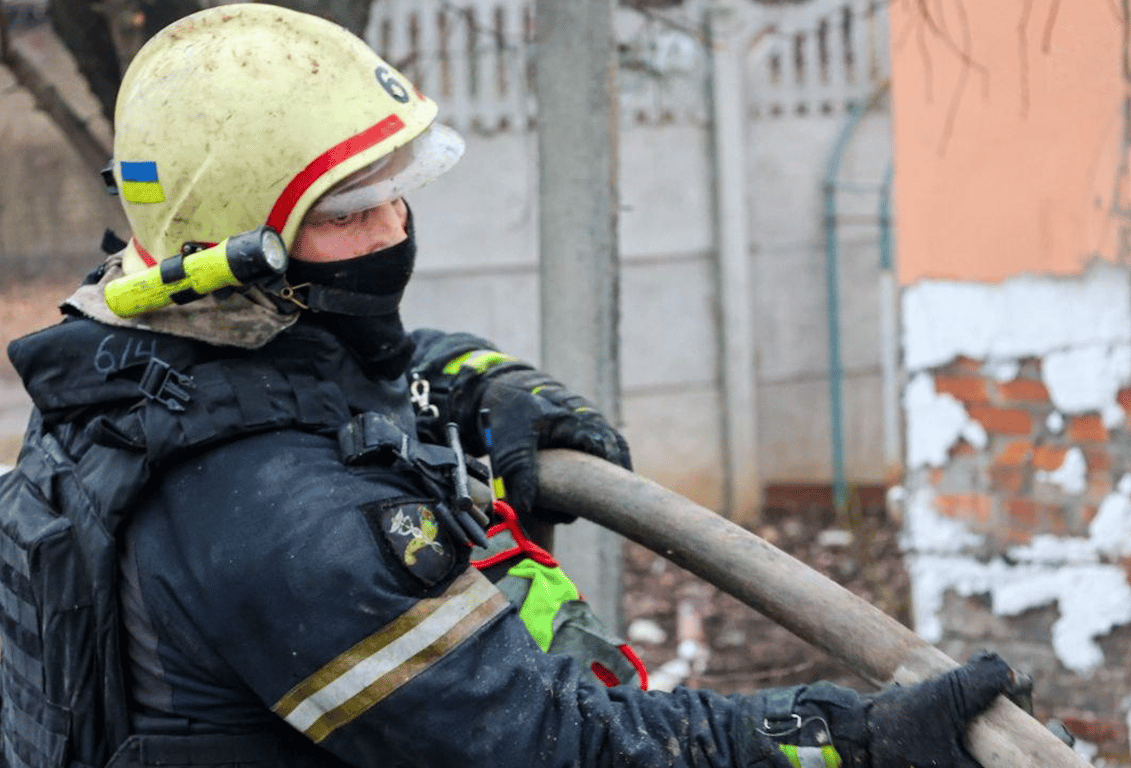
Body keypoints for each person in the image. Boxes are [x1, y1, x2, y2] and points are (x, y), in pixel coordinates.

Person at [1, 6, 1022, 768]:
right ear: (231, 243)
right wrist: (858, 738)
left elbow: (338, 374)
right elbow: (567, 749)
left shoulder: (135, 365)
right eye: (347, 215)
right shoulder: (283, 525)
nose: (392, 234)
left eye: (396, 197)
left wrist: (479, 382)